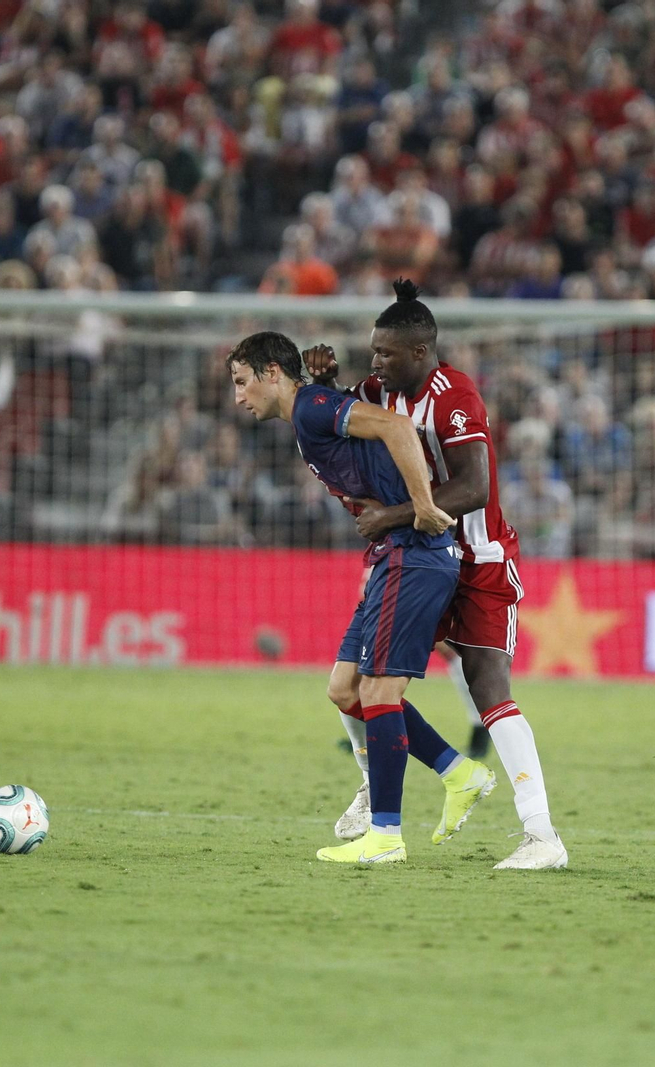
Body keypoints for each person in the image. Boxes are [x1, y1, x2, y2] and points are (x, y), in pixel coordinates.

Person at [304, 280, 569, 870]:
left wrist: (392, 516)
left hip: (476, 560)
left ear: (420, 354)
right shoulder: (379, 389)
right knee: (357, 685)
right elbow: (343, 418)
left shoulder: (455, 397)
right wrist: (322, 385)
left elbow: (474, 487)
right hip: (417, 559)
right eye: (372, 351)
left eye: (386, 353)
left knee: (488, 688)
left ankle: (542, 835)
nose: (374, 362)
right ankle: (383, 786)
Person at [227, 330, 489, 865]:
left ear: (272, 372)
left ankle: (386, 836)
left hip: (412, 553)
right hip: (390, 555)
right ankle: (459, 773)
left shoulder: (310, 408)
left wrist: (421, 504)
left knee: (379, 693)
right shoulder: (313, 409)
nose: (238, 397)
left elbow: (395, 425)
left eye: (241, 381)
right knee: (345, 688)